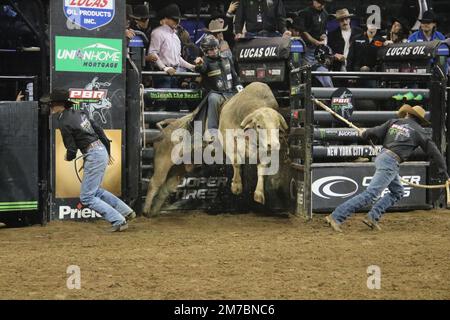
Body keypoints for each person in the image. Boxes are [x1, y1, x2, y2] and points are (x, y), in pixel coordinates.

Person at [326, 104, 450, 232]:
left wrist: (364, 133)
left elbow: (374, 132)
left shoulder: (394, 122)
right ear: (419, 120)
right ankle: (336, 216)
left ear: (408, 114)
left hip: (383, 157)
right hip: (391, 161)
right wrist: (444, 172)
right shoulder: (419, 131)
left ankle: (372, 217)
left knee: (397, 192)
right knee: (371, 194)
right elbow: (435, 152)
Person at [44, 89, 136, 232]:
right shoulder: (80, 113)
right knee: (95, 191)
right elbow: (99, 130)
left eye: (51, 104)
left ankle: (118, 220)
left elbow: (72, 149)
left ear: (57, 104)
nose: (49, 107)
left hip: (92, 154)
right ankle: (125, 211)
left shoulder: (63, 121)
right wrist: (107, 151)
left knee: (86, 197)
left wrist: (68, 157)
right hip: (99, 150)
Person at [194, 35, 242, 139]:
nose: (214, 51)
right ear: (205, 51)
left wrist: (240, 89)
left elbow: (235, 77)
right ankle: (212, 131)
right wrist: (198, 64)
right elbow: (201, 69)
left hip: (231, 91)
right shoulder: (205, 61)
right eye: (211, 50)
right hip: (216, 93)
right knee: (213, 99)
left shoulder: (227, 59)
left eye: (215, 48)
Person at [147, 4, 196, 88]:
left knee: (174, 100)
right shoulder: (157, 33)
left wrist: (192, 67)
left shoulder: (176, 36)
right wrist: (164, 68)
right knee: (164, 100)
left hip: (175, 73)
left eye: (178, 19)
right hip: (162, 74)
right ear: (166, 19)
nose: (177, 21)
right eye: (174, 19)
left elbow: (178, 58)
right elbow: (153, 53)